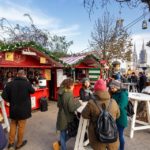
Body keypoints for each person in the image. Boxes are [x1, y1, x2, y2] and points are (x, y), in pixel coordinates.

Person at [82, 79, 120, 150]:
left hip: (97, 138)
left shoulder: (91, 103)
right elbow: (118, 116)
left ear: (95, 90)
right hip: (111, 137)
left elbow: (84, 115)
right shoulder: (113, 102)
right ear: (105, 89)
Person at [2, 70, 35, 150]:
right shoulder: (27, 83)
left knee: (13, 125)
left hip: (13, 108)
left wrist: (10, 101)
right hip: (23, 110)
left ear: (17, 75)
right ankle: (19, 144)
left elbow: (3, 96)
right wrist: (27, 81)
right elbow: (33, 91)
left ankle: (11, 143)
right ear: (24, 75)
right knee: (21, 127)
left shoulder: (10, 84)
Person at [54, 78, 81, 150]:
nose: (74, 87)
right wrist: (78, 103)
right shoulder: (69, 94)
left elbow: (59, 105)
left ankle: (61, 145)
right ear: (70, 85)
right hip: (67, 118)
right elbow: (71, 108)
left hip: (61, 116)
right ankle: (61, 145)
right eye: (73, 85)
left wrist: (71, 101)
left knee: (63, 134)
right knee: (71, 132)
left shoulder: (61, 92)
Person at [109, 80, 128, 150]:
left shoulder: (123, 94)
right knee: (115, 135)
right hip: (114, 117)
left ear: (118, 87)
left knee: (120, 135)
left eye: (113, 88)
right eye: (111, 88)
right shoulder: (115, 93)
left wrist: (111, 108)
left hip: (121, 118)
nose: (112, 89)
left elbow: (121, 106)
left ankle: (121, 148)